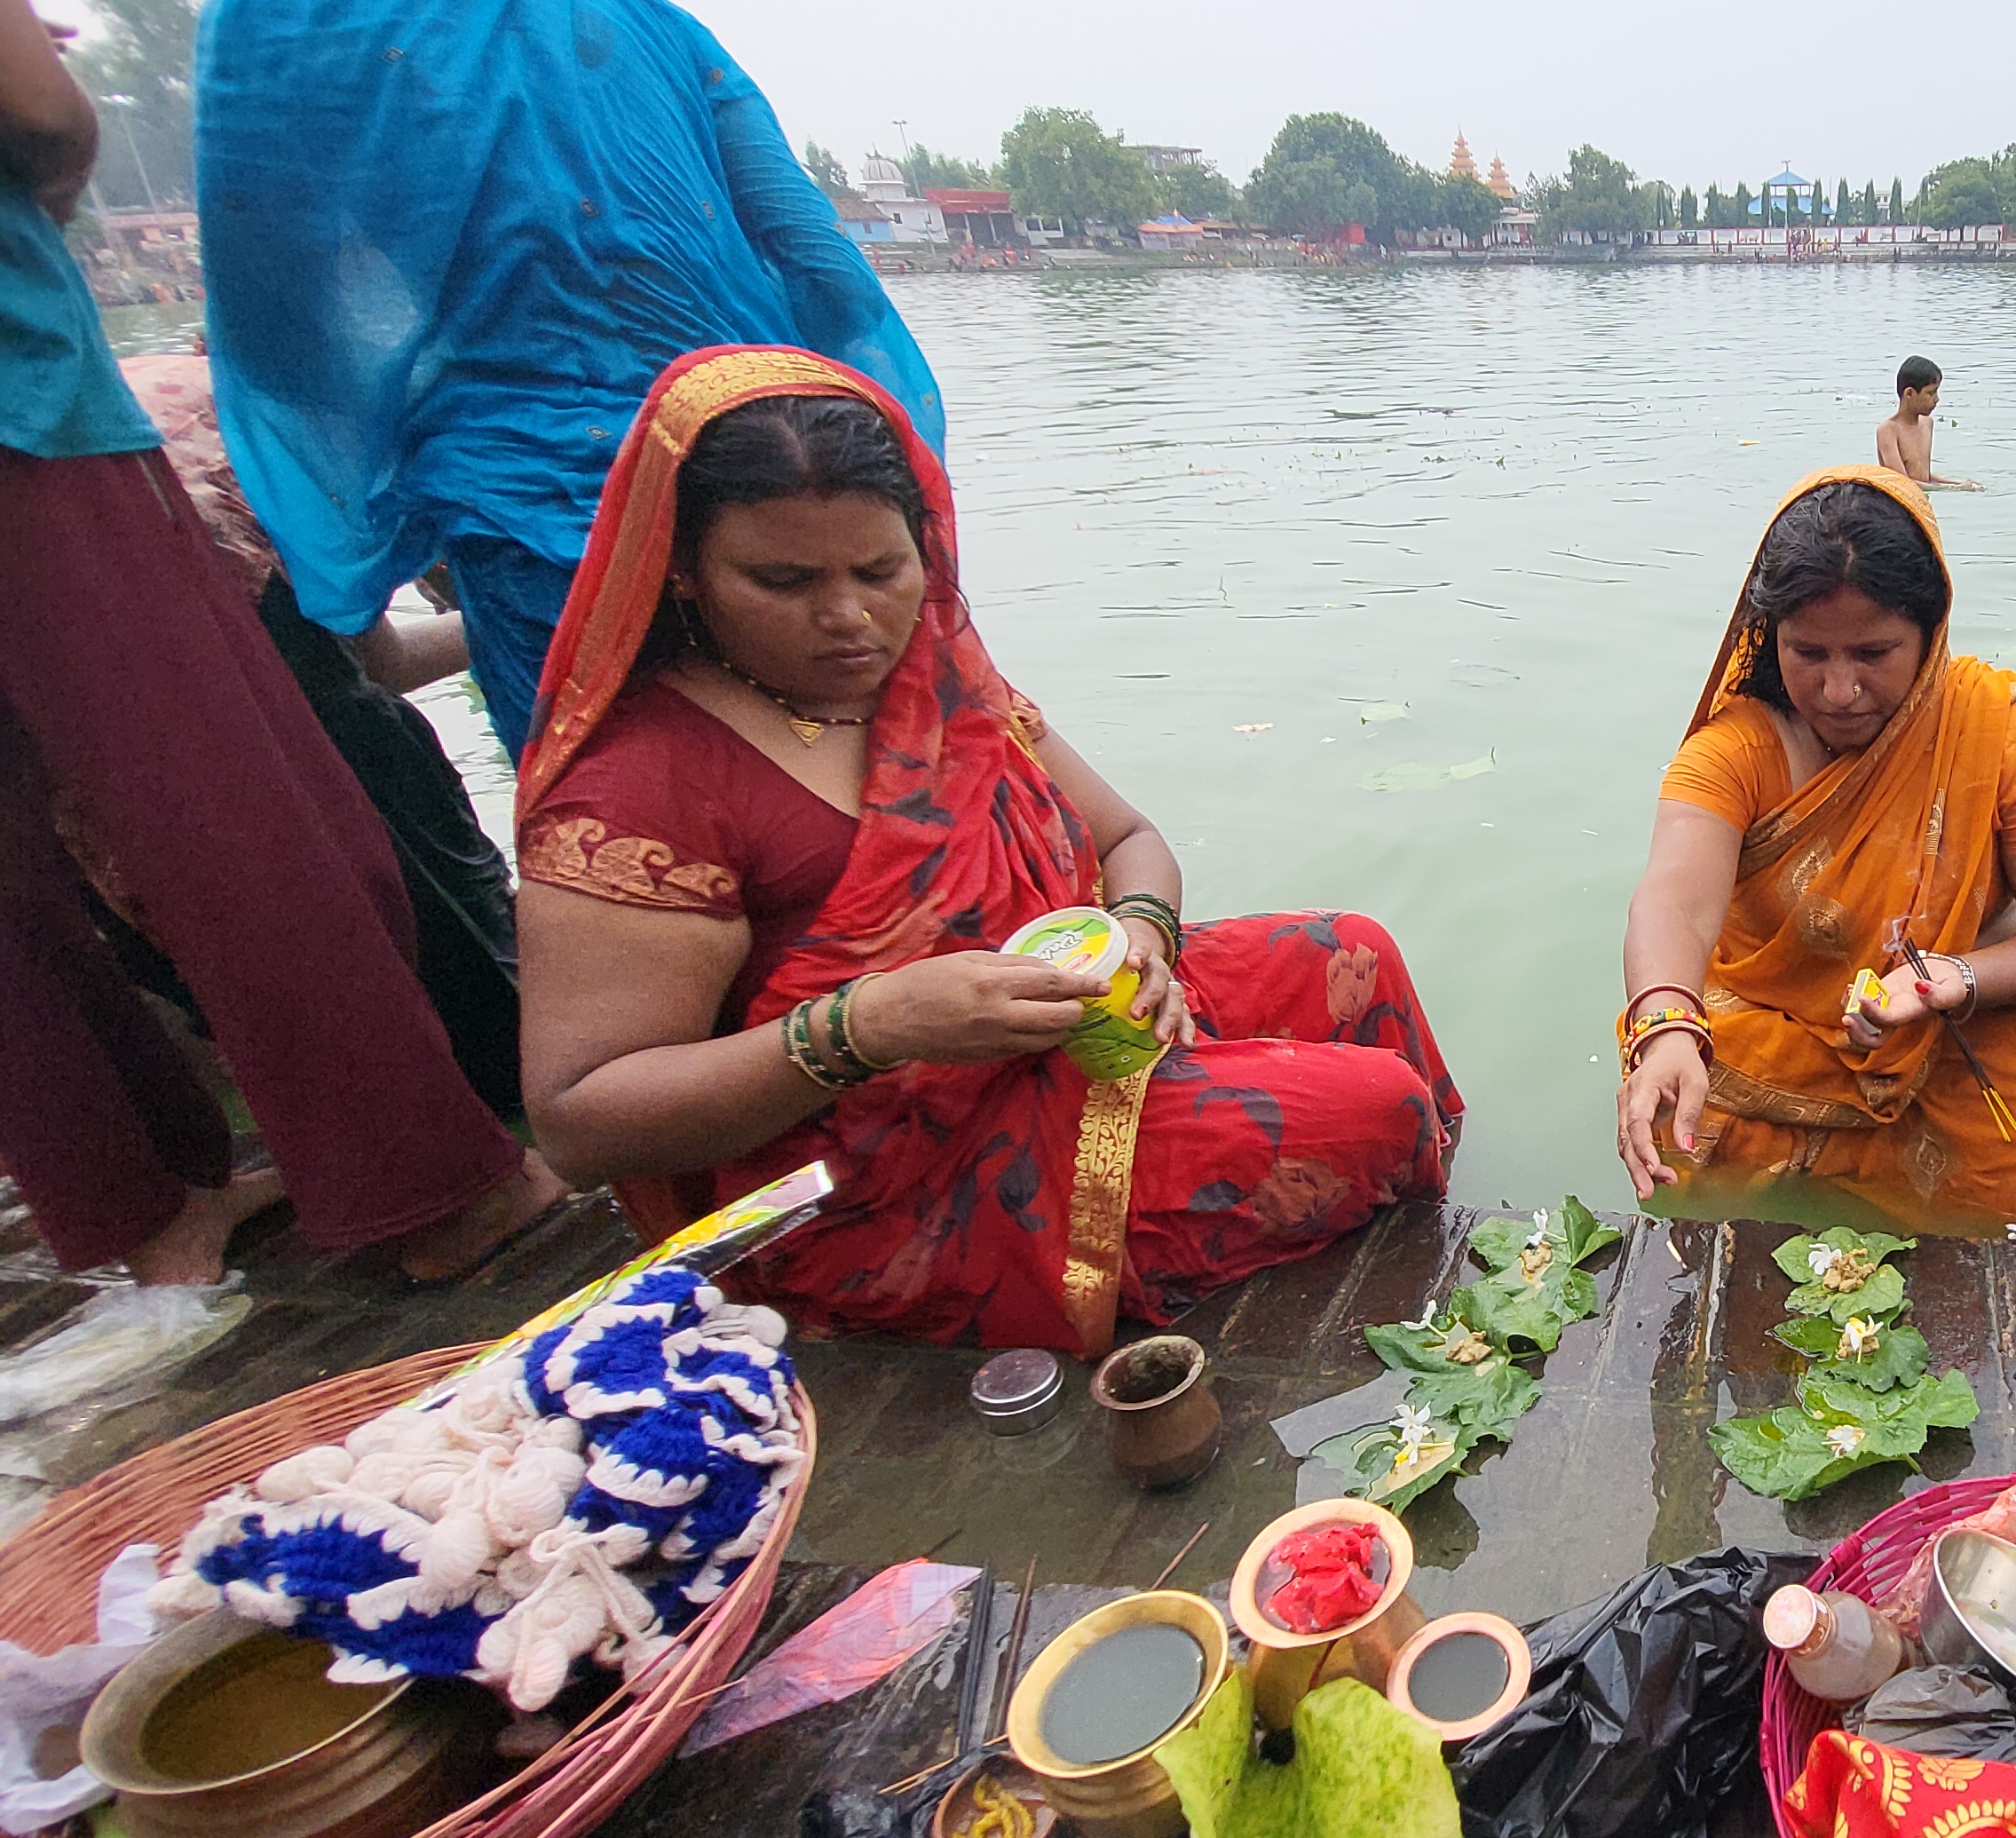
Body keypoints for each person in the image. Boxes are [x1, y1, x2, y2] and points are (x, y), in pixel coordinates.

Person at [515, 347, 1458, 1351]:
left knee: (1352, 951)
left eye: (880, 570)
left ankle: (1331, 1221)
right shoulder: (644, 785)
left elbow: (1129, 839)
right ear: (686, 574)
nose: (848, 617)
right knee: (1375, 1111)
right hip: (881, 1173)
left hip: (1056, 1029)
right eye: (782, 580)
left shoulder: (939, 681)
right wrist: (867, 1025)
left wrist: (1144, 936)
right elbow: (581, 1122)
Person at [0, 0, 559, 1286]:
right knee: (244, 811)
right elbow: (38, 109)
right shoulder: (259, 442)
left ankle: (130, 1203)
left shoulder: (252, 417)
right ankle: (431, 1190)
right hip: (24, 414)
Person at [192, 0, 941, 757]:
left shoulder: (288, 20)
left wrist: (402, 500)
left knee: (603, 819)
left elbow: (280, 311)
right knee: (832, 789)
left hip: (519, 499)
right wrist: (850, 476)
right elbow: (822, 266)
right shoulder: (649, 24)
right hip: (736, 471)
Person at [1616, 467, 2016, 1230]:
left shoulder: (2005, 734)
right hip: (1776, 1035)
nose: (1839, 690)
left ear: (1930, 631)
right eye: (1808, 653)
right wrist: (1666, 1026)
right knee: (1675, 1079)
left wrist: (1949, 980)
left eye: (1874, 653)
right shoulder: (1736, 752)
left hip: (1942, 1029)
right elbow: (1674, 905)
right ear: (1768, 636)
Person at [117, 353, 525, 1116]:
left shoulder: (153, 392)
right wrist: (516, 615)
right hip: (315, 751)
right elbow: (387, 663)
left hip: (121, 788)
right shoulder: (286, 445)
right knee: (491, 1044)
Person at [1873, 356, 1969, 489]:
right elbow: (1901, 483)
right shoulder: (1888, 430)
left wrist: (1960, 485)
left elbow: (1923, 477)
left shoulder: (1927, 424)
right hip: (1899, 506)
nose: (1937, 399)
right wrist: (1951, 489)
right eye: (1931, 393)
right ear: (1910, 394)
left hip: (1922, 502)